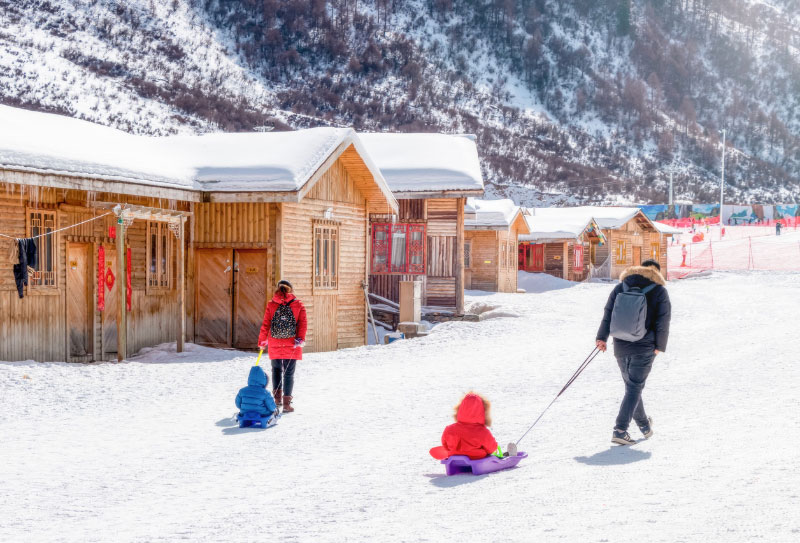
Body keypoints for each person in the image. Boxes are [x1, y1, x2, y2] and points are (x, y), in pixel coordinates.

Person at [595, 259, 671, 445]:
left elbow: (608, 312)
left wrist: (602, 337)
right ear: (656, 273)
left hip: (620, 345)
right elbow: (663, 321)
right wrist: (659, 346)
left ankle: (645, 425)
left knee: (632, 387)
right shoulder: (659, 291)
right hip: (644, 347)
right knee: (634, 387)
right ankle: (620, 430)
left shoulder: (621, 286)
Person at [258, 280, 307, 413]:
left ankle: (277, 400)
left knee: (276, 370)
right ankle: (286, 404)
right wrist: (300, 339)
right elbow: (303, 324)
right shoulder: (298, 304)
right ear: (291, 290)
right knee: (289, 373)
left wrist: (262, 341)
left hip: (275, 341)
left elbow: (266, 324)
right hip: (292, 343)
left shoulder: (271, 304)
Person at [429, 392, 516, 460]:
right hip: (477, 459)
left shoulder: (449, 429)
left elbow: (445, 445)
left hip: (455, 457)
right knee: (495, 456)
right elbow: (492, 449)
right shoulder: (482, 432)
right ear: (482, 412)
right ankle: (508, 456)